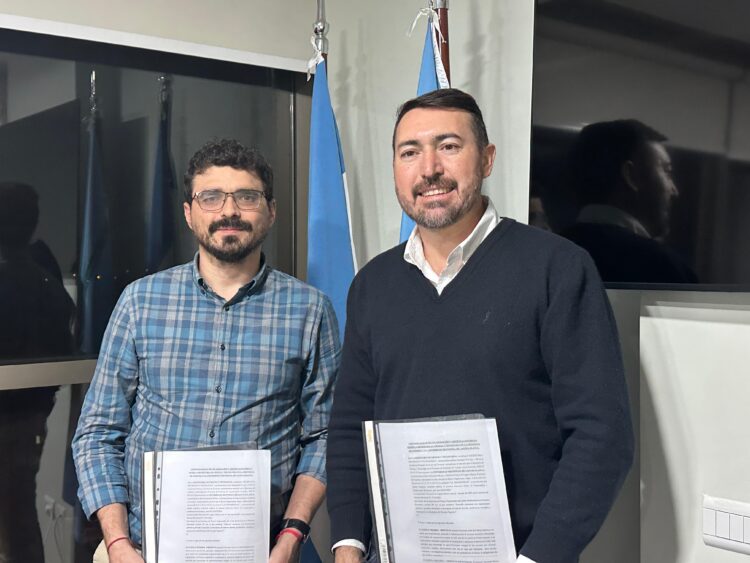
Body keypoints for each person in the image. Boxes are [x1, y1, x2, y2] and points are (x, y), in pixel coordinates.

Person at [326, 89, 634, 563]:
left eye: (449, 146)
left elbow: (601, 435)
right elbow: (350, 424)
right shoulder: (372, 285)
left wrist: (540, 557)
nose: (428, 168)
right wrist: (348, 540)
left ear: (487, 159)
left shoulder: (557, 269)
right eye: (410, 152)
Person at [73, 139, 339, 563]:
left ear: (271, 211)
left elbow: (324, 435)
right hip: (142, 550)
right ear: (188, 212)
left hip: (265, 551)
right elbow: (98, 432)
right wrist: (119, 543)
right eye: (211, 197)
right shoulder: (140, 302)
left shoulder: (310, 311)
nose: (228, 211)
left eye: (246, 197)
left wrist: (292, 536)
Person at [0, 182, 75, 563]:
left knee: (16, 524)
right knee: (18, 519)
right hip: (28, 418)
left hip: (16, 418)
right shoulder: (40, 273)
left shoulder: (24, 277)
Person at [562, 119, 698, 283]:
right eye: (667, 172)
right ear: (631, 176)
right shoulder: (662, 268)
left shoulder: (548, 256)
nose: (674, 190)